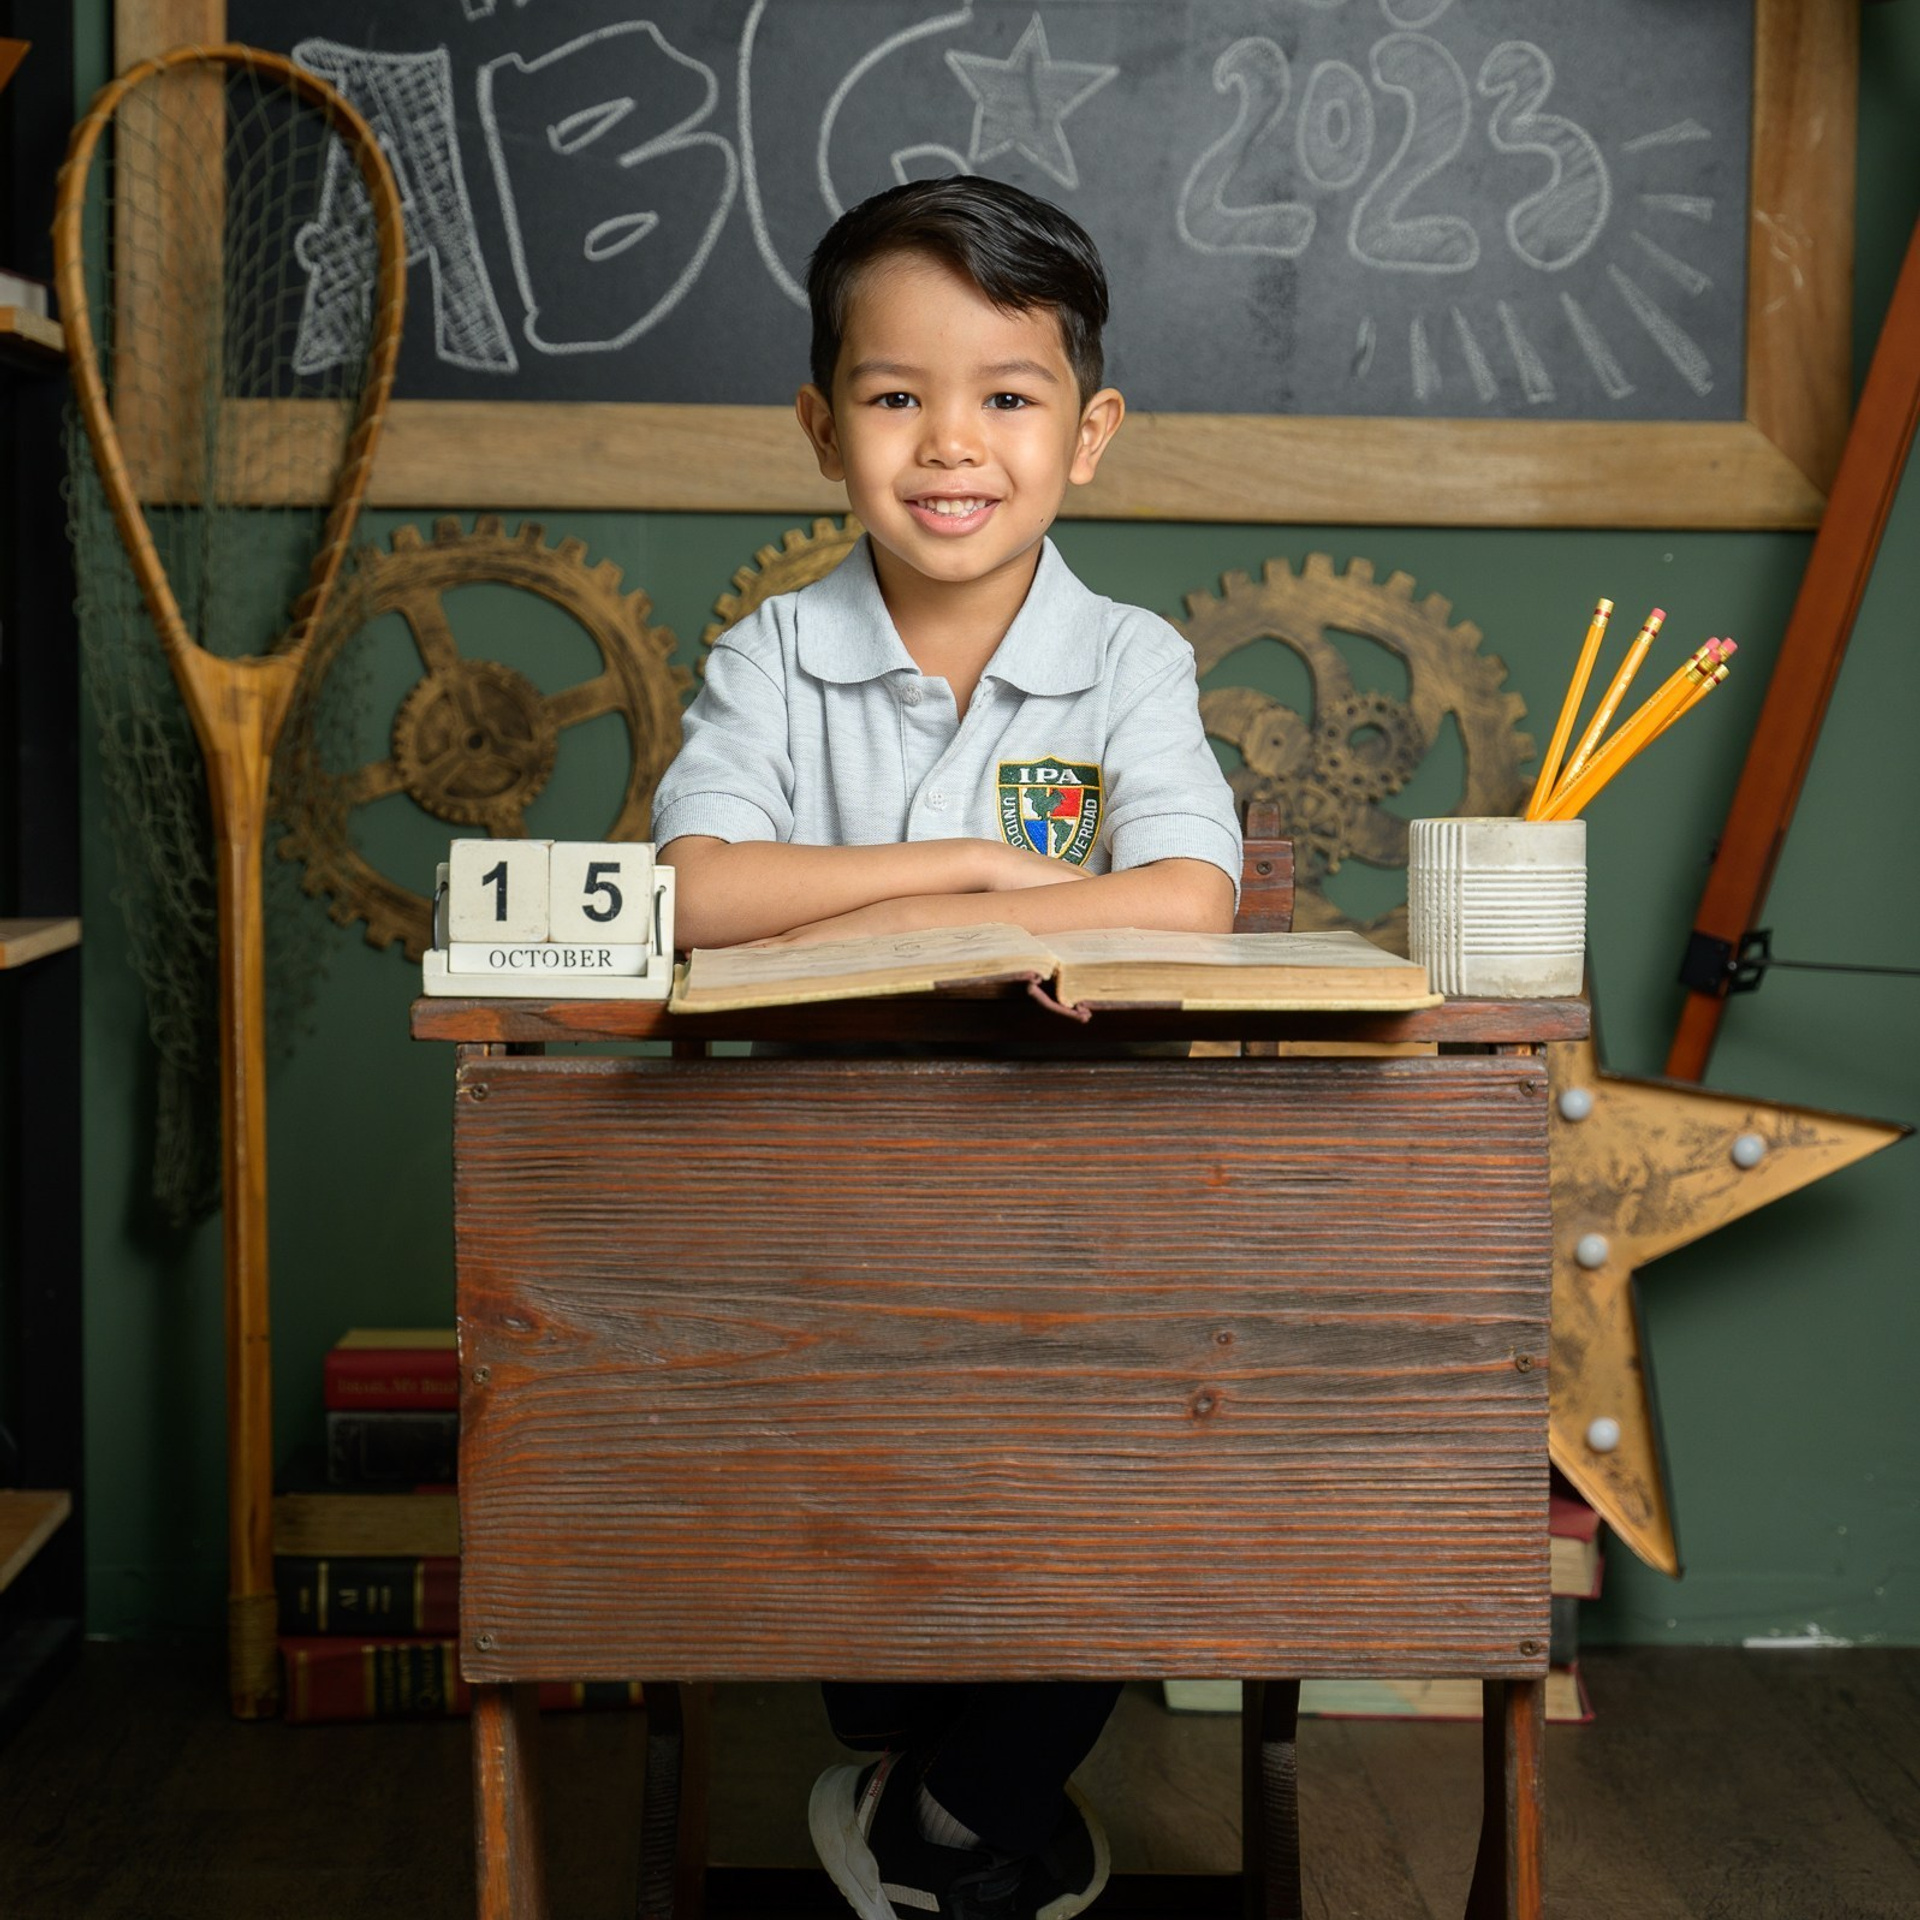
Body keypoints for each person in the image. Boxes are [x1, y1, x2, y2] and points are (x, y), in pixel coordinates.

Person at [652, 176, 1242, 1920]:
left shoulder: (1129, 659)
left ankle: (946, 1812)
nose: (951, 445)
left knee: (1128, 1494)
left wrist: (876, 916)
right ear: (821, 426)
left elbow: (1192, 898)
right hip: (825, 1224)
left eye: (1009, 395)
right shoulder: (774, 653)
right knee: (865, 1523)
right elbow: (694, 890)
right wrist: (986, 877)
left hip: (1085, 1221)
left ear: (1090, 433)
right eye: (898, 395)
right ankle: (933, 1791)